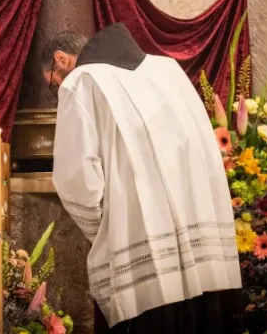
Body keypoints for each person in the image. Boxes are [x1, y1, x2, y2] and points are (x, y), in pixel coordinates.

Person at [42, 23, 242, 334]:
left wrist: (109, 231)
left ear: (62, 59)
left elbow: (76, 179)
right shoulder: (170, 70)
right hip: (202, 250)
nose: (58, 90)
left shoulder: (81, 81)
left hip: (140, 250)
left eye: (52, 85)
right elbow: (200, 150)